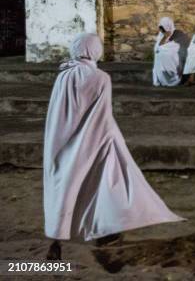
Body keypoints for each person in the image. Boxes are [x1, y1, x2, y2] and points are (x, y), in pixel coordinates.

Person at [44, 34, 184, 260]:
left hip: (64, 142)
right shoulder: (100, 78)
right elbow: (103, 116)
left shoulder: (64, 76)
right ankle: (106, 230)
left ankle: (58, 239)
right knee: (107, 184)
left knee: (67, 187)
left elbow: (59, 114)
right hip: (97, 140)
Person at [153, 17, 181, 87]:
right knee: (160, 54)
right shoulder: (161, 35)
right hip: (162, 55)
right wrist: (165, 37)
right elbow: (157, 48)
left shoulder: (176, 33)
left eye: (164, 28)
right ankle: (163, 79)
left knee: (168, 54)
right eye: (161, 28)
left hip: (173, 54)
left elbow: (177, 45)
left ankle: (172, 78)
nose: (162, 30)